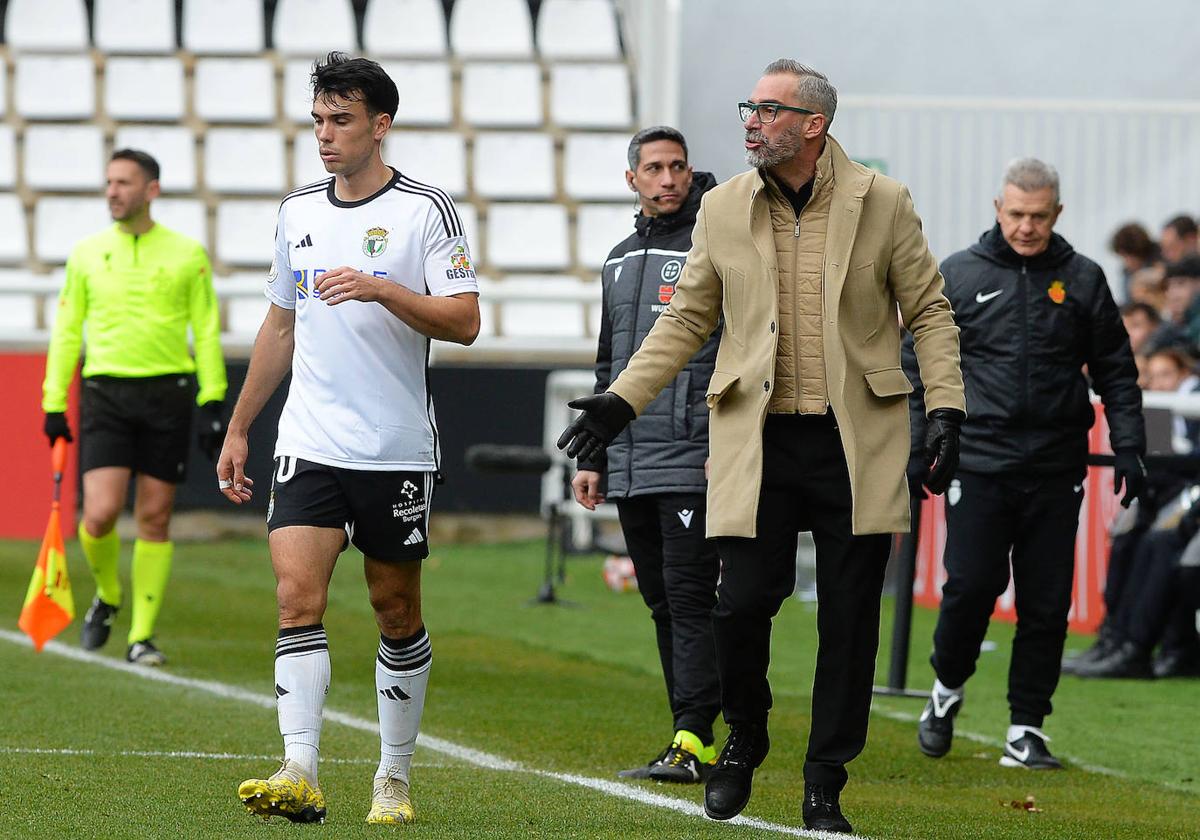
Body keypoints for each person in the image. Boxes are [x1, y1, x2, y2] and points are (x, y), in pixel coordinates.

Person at [558, 59, 964, 834]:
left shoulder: (884, 200)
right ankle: (745, 734)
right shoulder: (723, 207)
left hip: (858, 444)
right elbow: (684, 320)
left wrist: (946, 410)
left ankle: (825, 782)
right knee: (739, 605)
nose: (750, 119)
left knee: (849, 621)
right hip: (758, 441)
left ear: (813, 126)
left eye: (768, 109)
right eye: (750, 107)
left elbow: (932, 313)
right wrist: (619, 403)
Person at [216, 53, 479, 826]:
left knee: (394, 609)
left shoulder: (426, 211)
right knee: (297, 599)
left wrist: (384, 288)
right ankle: (300, 768)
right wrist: (240, 426)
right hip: (310, 437)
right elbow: (281, 322)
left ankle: (392, 778)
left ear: (380, 125)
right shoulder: (297, 212)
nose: (326, 136)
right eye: (319, 121)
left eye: (342, 121)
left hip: (395, 445)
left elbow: (464, 321)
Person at [910, 158, 1146, 771]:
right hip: (980, 463)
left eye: (1039, 216)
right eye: (1016, 214)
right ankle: (945, 691)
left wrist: (1130, 444)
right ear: (997, 208)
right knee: (969, 591)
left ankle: (1026, 728)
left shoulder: (1083, 279)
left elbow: (1116, 369)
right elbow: (920, 367)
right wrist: (920, 444)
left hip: (1054, 467)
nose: (1026, 227)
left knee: (1046, 604)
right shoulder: (958, 275)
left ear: (1057, 214)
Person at [571, 126, 722, 783]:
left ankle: (698, 738)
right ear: (632, 179)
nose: (668, 178)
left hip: (693, 454)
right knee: (662, 601)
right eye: (655, 168)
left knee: (690, 601)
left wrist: (728, 443)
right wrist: (594, 456)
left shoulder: (715, 247)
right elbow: (610, 366)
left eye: (678, 166)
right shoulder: (617, 258)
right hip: (632, 458)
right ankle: (691, 732)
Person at [41, 148, 226, 666]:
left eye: (123, 182)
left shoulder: (188, 254)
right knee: (98, 515)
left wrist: (212, 397)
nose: (112, 192)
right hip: (105, 393)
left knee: (154, 517)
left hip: (168, 393)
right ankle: (109, 593)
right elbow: (67, 329)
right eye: (108, 182)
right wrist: (54, 400)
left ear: (151, 190)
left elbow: (206, 329)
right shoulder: (86, 254)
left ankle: (141, 635)